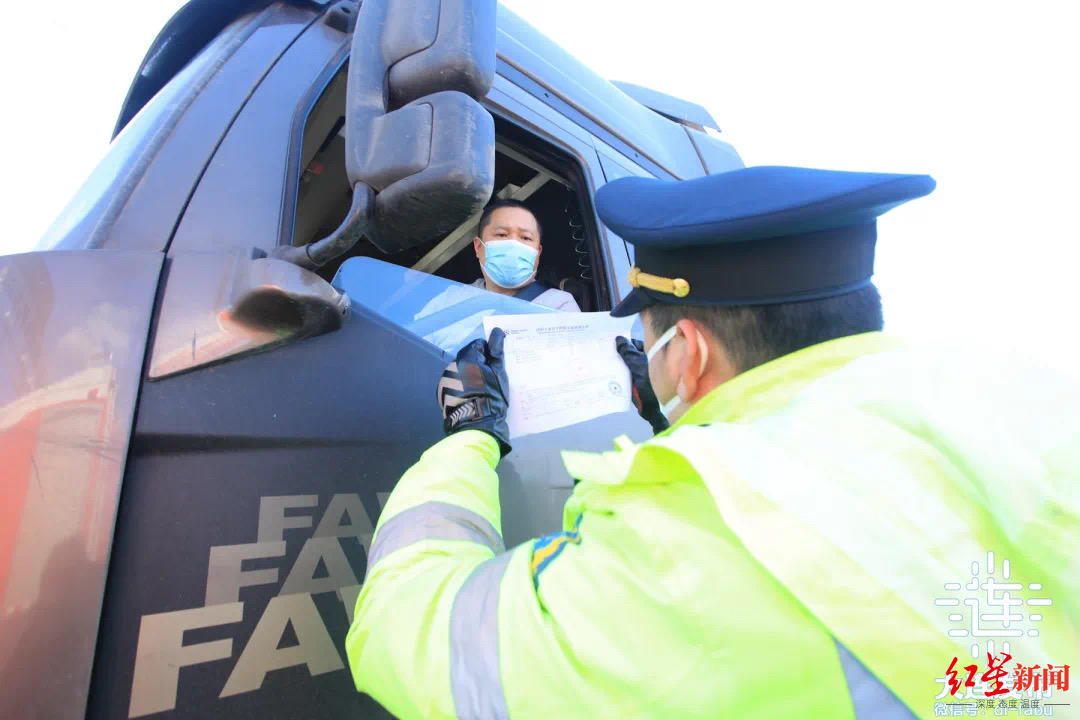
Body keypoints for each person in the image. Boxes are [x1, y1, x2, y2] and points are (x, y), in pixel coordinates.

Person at [345, 166, 1079, 719]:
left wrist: (470, 436)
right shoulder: (1018, 400)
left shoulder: (701, 526)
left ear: (686, 353)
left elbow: (411, 632)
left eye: (649, 341)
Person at [470, 198, 580, 311]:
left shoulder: (559, 305)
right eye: (502, 234)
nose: (513, 244)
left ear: (538, 253)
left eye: (526, 237)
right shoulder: (456, 298)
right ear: (478, 247)